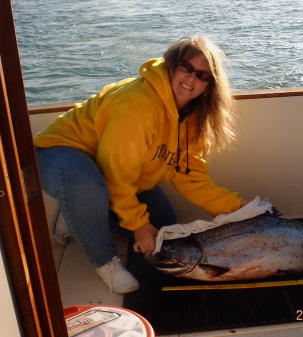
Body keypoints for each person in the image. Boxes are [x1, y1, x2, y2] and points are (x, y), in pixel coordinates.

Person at [34, 35, 244, 293]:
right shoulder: (138, 105)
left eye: (201, 75)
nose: (191, 79)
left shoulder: (192, 119)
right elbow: (115, 173)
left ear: (208, 86)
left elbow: (190, 178)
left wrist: (238, 209)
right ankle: (103, 259)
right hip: (60, 153)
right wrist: (139, 226)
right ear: (170, 65)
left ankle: (77, 212)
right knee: (86, 185)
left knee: (164, 224)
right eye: (185, 67)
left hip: (112, 168)